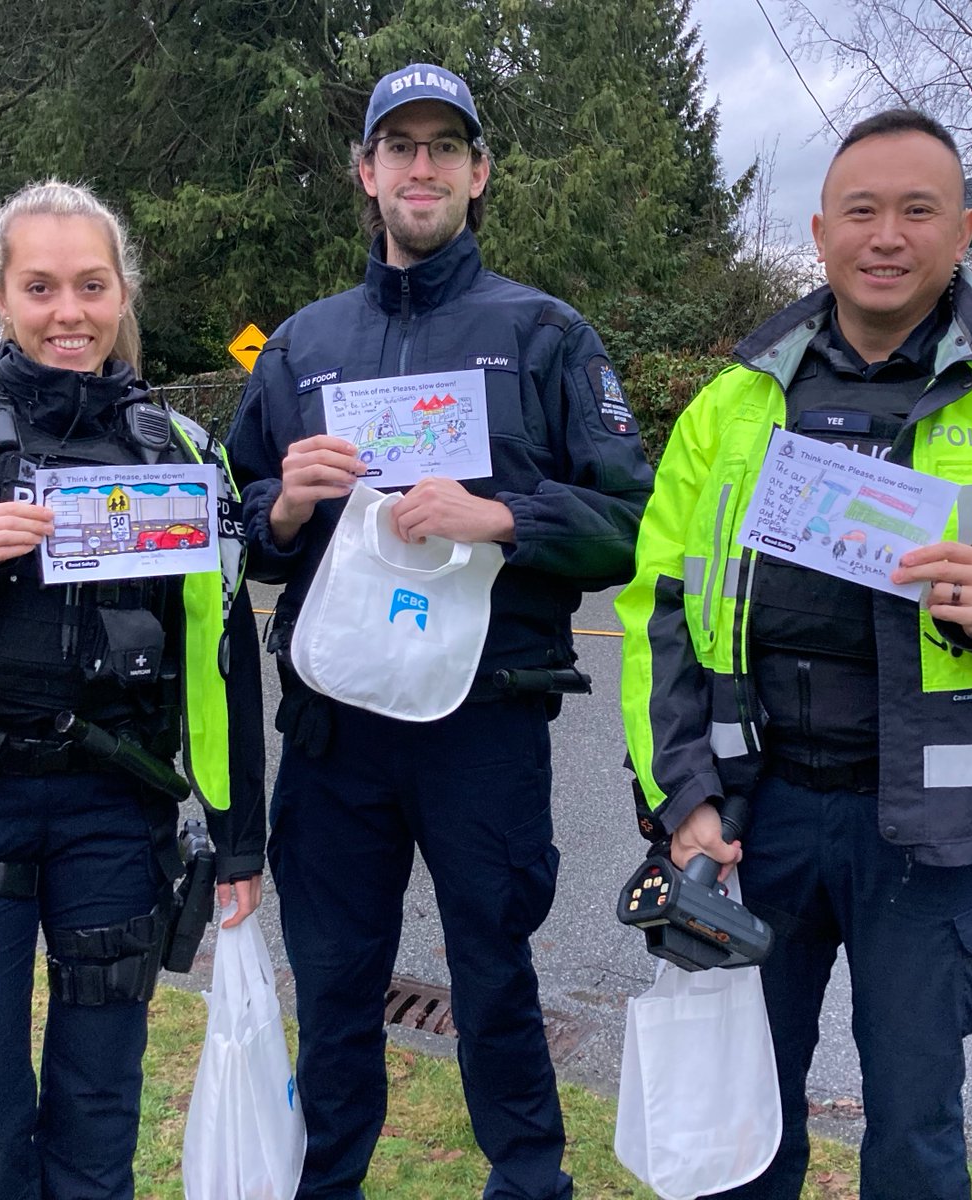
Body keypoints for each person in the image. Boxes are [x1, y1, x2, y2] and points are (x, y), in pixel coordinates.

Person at [617, 108, 972, 1200]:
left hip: (932, 838)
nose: (886, 235)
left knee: (917, 1134)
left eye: (918, 211)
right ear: (819, 232)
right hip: (755, 824)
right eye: (861, 211)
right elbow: (658, 614)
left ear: (963, 232)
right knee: (744, 1124)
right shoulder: (735, 405)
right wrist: (684, 801)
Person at [227, 62, 652, 1200]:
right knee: (334, 983)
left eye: (445, 147)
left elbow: (630, 522)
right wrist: (282, 505)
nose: (423, 166)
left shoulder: (545, 336)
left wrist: (507, 514)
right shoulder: (301, 349)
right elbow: (239, 535)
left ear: (478, 172)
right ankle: (328, 1185)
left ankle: (528, 1181)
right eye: (400, 147)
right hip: (335, 732)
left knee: (496, 981)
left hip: (485, 724)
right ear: (365, 174)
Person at [0, 180, 266, 1200]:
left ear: (122, 292)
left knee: (100, 1118)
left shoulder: (181, 455)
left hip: (114, 820)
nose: (68, 314)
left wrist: (237, 836)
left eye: (91, 286)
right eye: (39, 287)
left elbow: (222, 658)